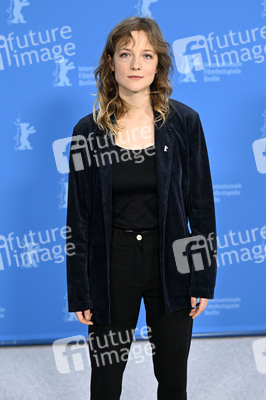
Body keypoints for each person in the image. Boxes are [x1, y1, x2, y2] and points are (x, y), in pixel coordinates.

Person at [66, 16, 217, 400]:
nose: (136, 65)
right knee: (106, 379)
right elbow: (78, 216)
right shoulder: (89, 131)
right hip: (112, 264)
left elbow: (200, 204)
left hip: (171, 262)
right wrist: (80, 290)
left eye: (146, 55)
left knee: (172, 377)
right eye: (126, 54)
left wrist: (200, 278)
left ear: (158, 64)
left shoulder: (184, 123)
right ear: (111, 62)